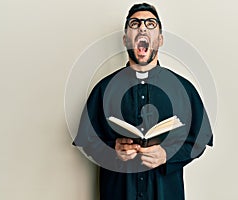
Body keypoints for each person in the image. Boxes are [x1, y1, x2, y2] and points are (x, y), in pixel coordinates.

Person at [73, 3, 213, 200]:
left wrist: (167, 155)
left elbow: (200, 139)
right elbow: (87, 141)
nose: (142, 27)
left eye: (150, 23)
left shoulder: (183, 89)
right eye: (135, 23)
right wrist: (113, 152)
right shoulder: (103, 89)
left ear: (160, 39)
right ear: (125, 39)